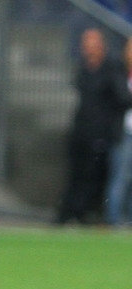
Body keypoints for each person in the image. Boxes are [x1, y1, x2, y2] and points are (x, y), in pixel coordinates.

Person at [58, 28, 131, 225]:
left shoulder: (112, 67)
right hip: (82, 129)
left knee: (103, 177)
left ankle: (94, 216)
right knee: (77, 174)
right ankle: (70, 214)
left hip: (103, 132)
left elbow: (122, 97)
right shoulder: (83, 68)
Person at [105, 36, 132, 225]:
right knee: (120, 178)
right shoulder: (118, 72)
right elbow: (122, 98)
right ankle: (115, 220)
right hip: (125, 133)